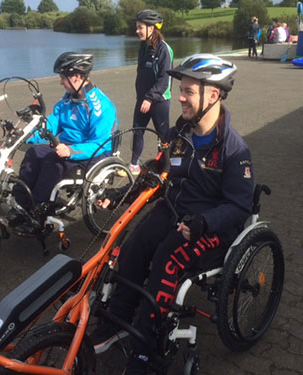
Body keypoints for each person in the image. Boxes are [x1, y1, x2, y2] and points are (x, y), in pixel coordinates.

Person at [90, 54, 254, 374]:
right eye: (181, 89)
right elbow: (157, 170)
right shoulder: (181, 131)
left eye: (188, 91)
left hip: (208, 226)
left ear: (213, 95)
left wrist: (205, 222)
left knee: (166, 259)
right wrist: (118, 194)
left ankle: (147, 350)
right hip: (174, 209)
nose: (179, 96)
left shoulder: (235, 149)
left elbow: (240, 206)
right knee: (134, 245)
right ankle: (119, 320)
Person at [11, 52, 118, 236]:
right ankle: (21, 205)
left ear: (77, 77)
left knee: (51, 164)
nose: (60, 82)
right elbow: (53, 123)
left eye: (63, 78)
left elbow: (100, 143)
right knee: (34, 153)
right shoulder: (68, 99)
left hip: (93, 152)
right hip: (67, 147)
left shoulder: (100, 106)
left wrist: (71, 150)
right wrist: (27, 135)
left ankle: (38, 214)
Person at [128, 9, 174, 175]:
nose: (137, 31)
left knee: (163, 136)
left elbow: (164, 79)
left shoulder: (164, 50)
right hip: (143, 99)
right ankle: (134, 164)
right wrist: (142, 97)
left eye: (140, 27)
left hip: (159, 100)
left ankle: (166, 166)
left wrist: (150, 98)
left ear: (151, 28)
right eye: (137, 27)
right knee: (137, 130)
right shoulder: (143, 47)